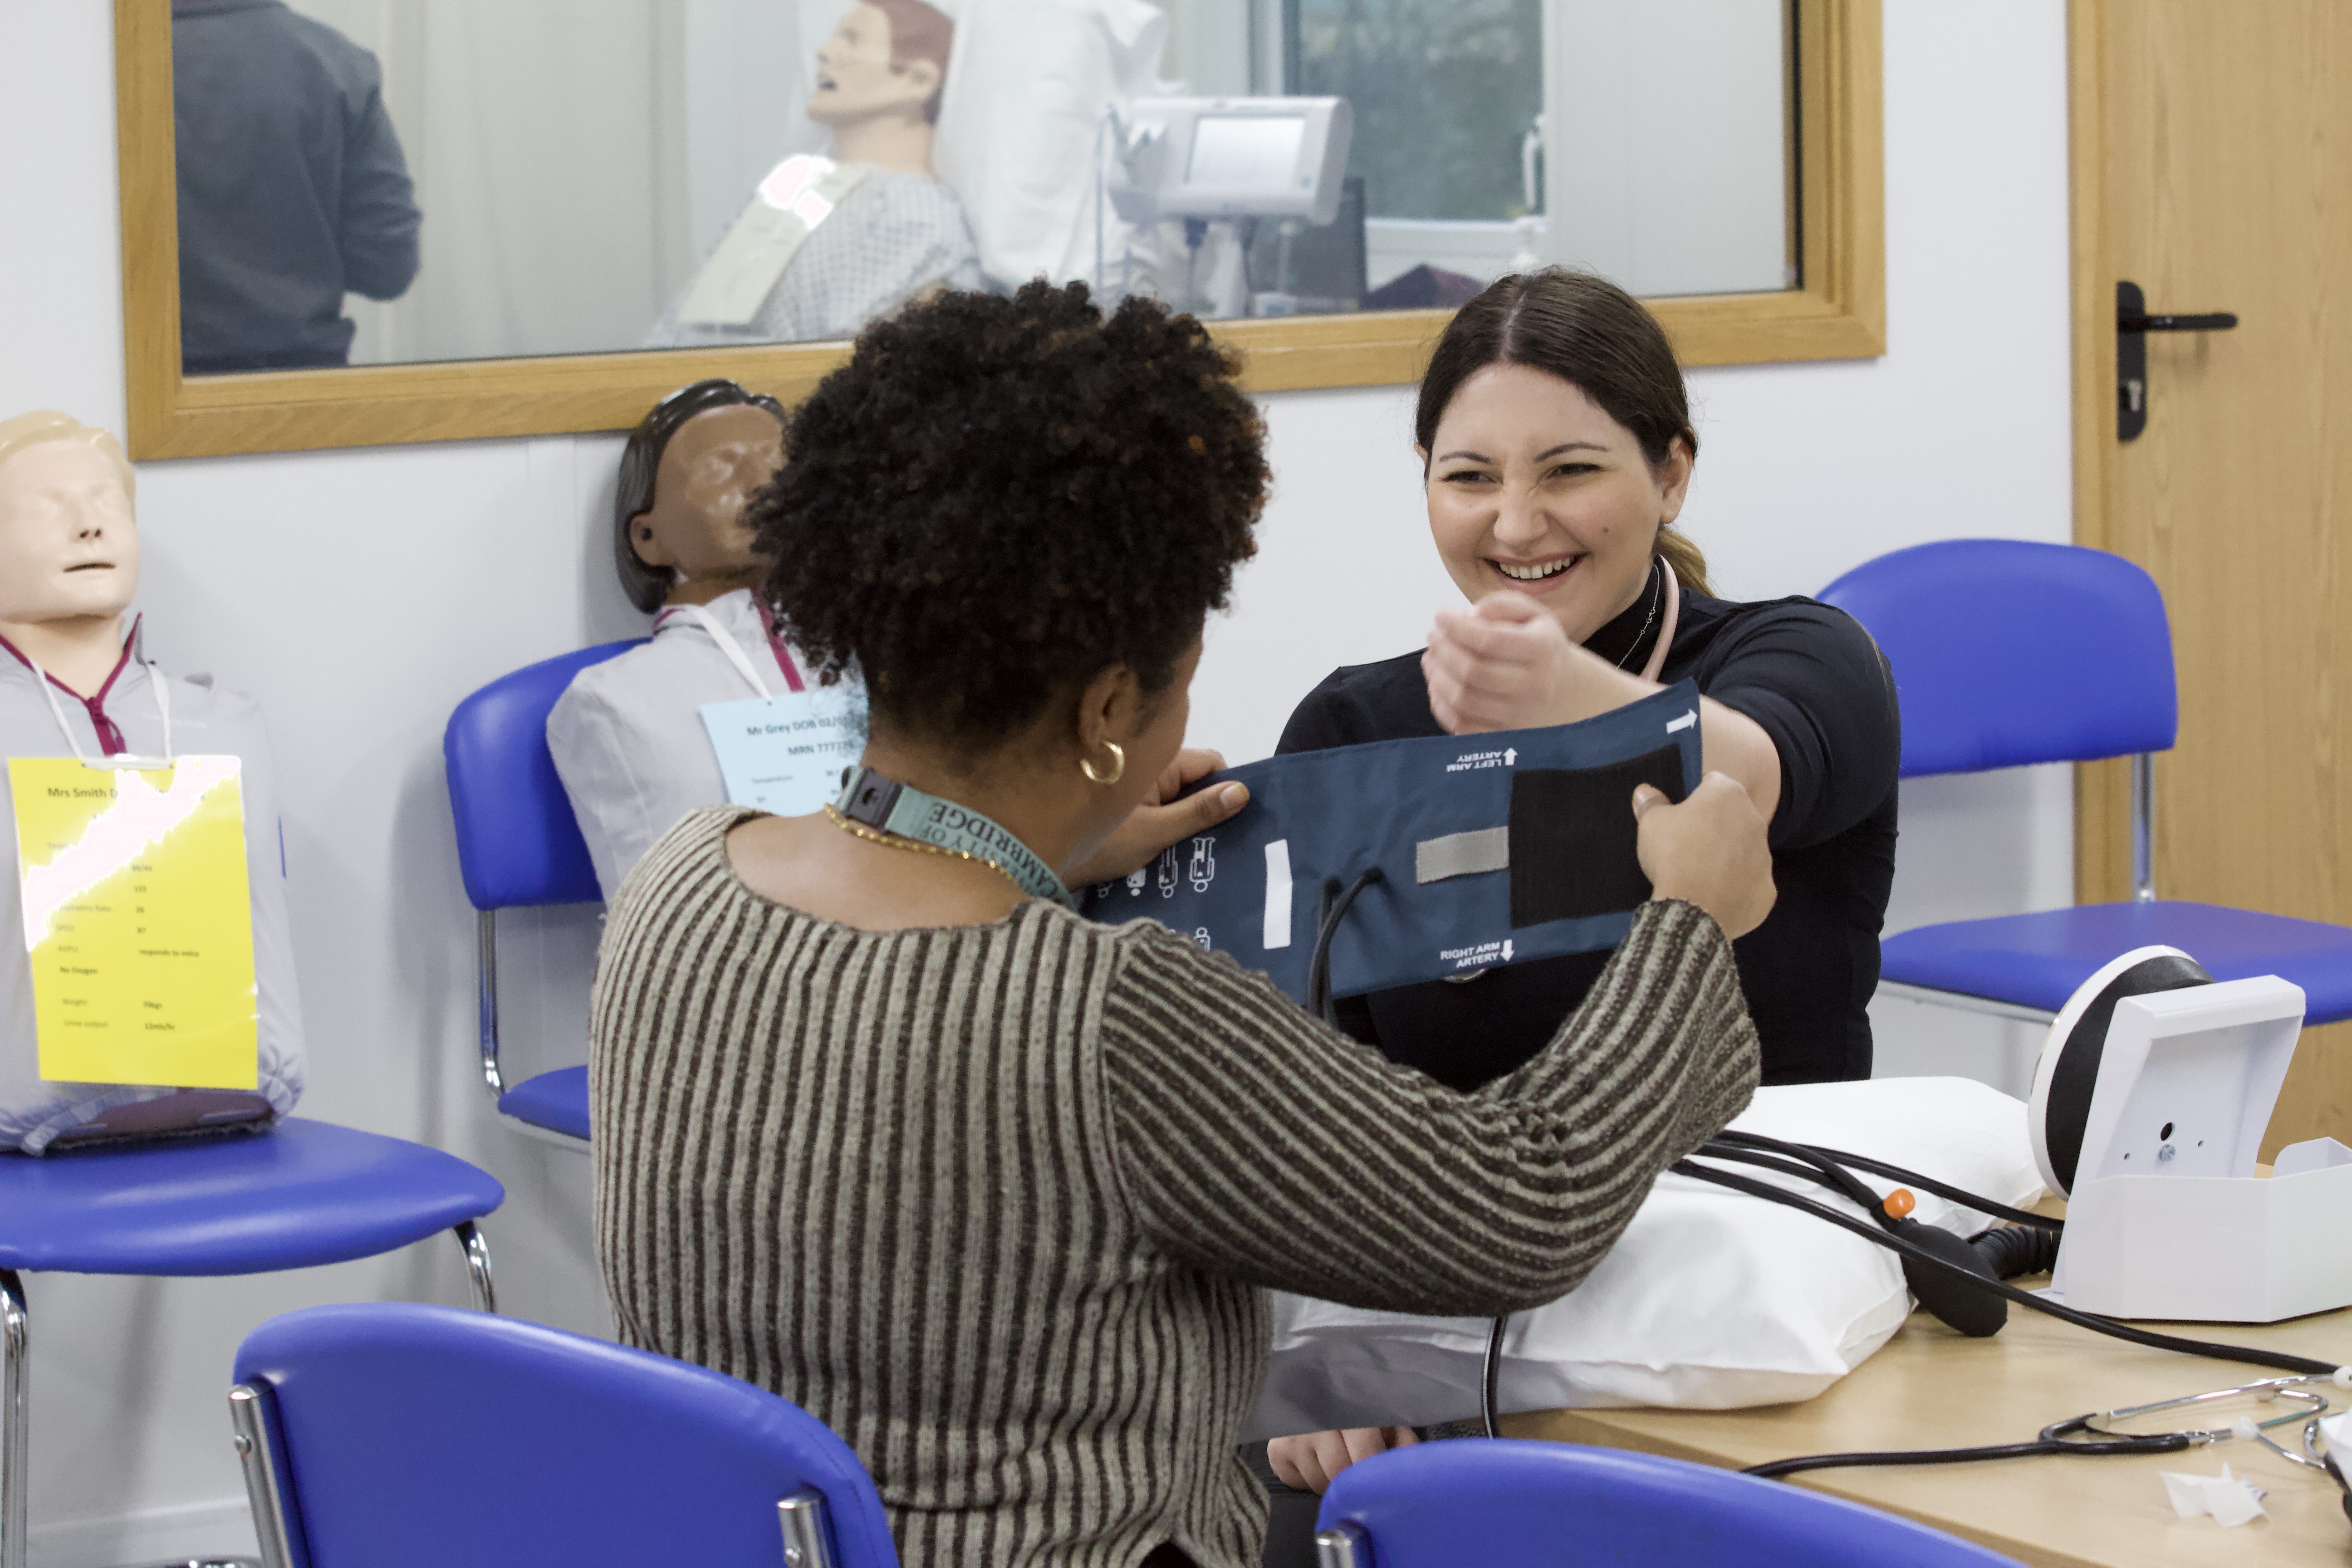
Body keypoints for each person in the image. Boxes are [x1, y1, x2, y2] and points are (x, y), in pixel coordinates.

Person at [589, 281, 1772, 1567]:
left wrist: (1068, 845)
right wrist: (1687, 925)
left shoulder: (678, 885)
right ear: (1111, 711)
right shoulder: (1107, 1020)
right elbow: (1524, 1203)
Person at [1278, 267, 1901, 1097]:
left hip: (1775, 1205)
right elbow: (1323, 1088)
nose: (1515, 522)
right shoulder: (1350, 730)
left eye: (1568, 471)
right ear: (1424, 474)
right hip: (1475, 1216)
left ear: (1669, 475)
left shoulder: (1810, 655)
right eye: (1469, 477)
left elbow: (1744, 779)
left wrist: (1565, 698)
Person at [0, 411, 304, 1154]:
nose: (89, 527)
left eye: (107, 502)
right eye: (47, 507)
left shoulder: (227, 726)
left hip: (234, 1104)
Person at [548, 379, 848, 902]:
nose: (763, 482)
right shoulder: (616, 702)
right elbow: (667, 934)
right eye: (719, 469)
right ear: (647, 537)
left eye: (779, 461)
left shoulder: (873, 653)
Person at [644, 0, 983, 348]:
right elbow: (679, 332)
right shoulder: (790, 191)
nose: (825, 52)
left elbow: (847, 367)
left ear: (918, 80)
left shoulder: (915, 215)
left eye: (852, 40)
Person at [171, 0, 421, 373]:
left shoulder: (106, 71)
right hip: (304, 391)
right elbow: (387, 267)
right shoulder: (338, 64)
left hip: (146, 396)